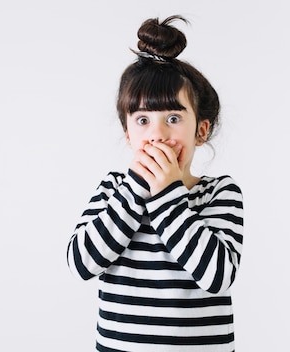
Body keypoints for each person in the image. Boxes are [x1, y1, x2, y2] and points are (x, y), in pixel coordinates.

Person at [66, 15, 244, 352]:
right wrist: (136, 189)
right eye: (143, 120)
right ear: (128, 135)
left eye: (173, 119)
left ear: (200, 131)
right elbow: (81, 263)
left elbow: (217, 277)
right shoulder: (114, 190)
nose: (158, 135)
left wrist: (167, 195)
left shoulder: (220, 193)